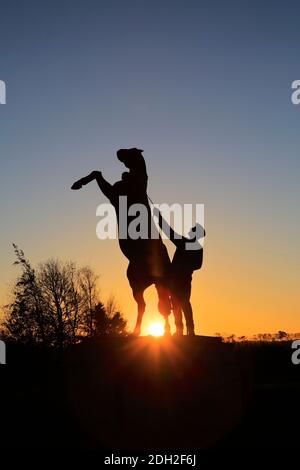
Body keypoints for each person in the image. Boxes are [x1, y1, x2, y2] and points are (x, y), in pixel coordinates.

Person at [153, 207, 205, 336]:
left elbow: (169, 232)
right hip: (182, 279)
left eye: (192, 230)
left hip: (180, 280)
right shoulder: (196, 247)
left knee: (180, 303)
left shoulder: (186, 243)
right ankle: (185, 329)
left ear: (195, 234)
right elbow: (198, 265)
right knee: (180, 303)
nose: (189, 231)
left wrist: (158, 217)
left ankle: (184, 329)